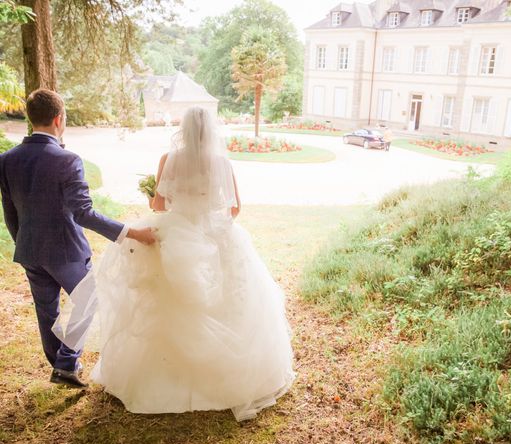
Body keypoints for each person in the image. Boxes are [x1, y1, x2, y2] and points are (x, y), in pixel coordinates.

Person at [59, 107, 295, 421]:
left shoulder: (169, 159)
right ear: (210, 131)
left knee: (163, 303)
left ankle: (163, 378)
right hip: (213, 233)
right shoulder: (221, 163)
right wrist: (209, 224)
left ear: (183, 129)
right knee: (231, 300)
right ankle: (223, 375)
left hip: (176, 235)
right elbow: (235, 208)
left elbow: (159, 204)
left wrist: (159, 201)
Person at [0, 89, 156, 389]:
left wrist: (24, 242)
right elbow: (83, 213)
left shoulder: (6, 160)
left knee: (46, 309)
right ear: (59, 119)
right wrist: (132, 233)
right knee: (88, 301)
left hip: (29, 250)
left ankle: (60, 364)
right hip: (65, 251)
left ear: (32, 119)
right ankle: (66, 363)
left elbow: (10, 212)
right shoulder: (68, 160)